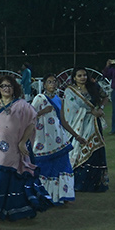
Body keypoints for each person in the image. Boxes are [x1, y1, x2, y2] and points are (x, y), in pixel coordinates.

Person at [0, 75, 51, 221]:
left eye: (9, 86)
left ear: (14, 88)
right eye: (3, 86)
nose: (6, 88)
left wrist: (23, 142)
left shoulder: (22, 105)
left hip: (16, 148)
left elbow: (31, 123)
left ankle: (17, 209)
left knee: (14, 177)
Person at [31, 75, 81, 205]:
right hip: (43, 140)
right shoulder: (39, 99)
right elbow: (29, 116)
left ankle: (63, 195)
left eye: (54, 82)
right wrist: (43, 112)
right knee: (44, 167)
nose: (52, 84)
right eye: (49, 82)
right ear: (44, 85)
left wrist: (76, 135)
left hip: (59, 140)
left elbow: (63, 121)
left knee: (63, 166)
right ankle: (44, 195)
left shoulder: (59, 100)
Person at [63, 67, 109, 192]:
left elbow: (105, 97)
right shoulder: (70, 91)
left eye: (84, 75)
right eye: (79, 75)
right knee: (79, 149)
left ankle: (96, 183)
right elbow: (70, 109)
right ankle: (79, 183)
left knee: (96, 149)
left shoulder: (94, 86)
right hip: (79, 124)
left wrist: (100, 109)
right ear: (74, 78)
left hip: (94, 123)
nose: (83, 78)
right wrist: (88, 111)